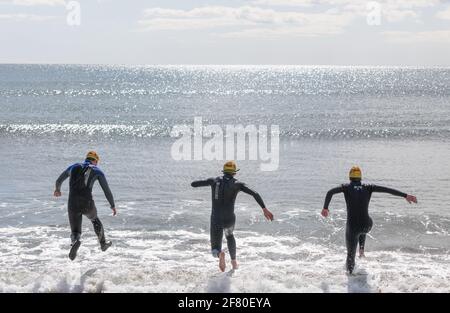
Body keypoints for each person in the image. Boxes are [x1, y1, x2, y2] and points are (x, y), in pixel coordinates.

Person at [321, 166, 417, 274]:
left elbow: (330, 192)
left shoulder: (346, 187)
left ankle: (351, 278)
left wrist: (325, 208)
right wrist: (405, 195)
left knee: (350, 256)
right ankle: (361, 250)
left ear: (350, 177)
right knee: (362, 226)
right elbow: (387, 190)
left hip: (353, 227)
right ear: (360, 177)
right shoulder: (368, 187)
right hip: (367, 225)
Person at [191, 161, 274, 272]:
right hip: (229, 218)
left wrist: (207, 182)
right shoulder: (238, 184)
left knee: (215, 248)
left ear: (224, 171)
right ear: (234, 173)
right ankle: (234, 262)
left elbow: (194, 184)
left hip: (216, 219)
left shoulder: (214, 181)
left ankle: (219, 254)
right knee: (229, 236)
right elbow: (255, 193)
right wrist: (264, 209)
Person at [54, 151, 117, 260]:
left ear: (86, 158)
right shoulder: (97, 170)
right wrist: (112, 205)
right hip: (87, 203)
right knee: (95, 220)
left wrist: (57, 190)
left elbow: (59, 180)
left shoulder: (73, 167)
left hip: (72, 203)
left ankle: (75, 242)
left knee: (75, 231)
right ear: (95, 161)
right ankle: (103, 244)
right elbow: (106, 190)